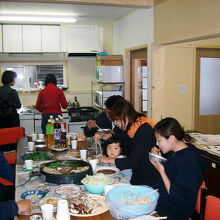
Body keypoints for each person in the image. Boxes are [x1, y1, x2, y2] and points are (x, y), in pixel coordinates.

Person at [151, 117, 207, 220]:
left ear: (171, 139)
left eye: (159, 140)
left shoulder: (189, 161)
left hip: (174, 211)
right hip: (162, 201)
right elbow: (172, 172)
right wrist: (158, 160)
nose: (157, 143)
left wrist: (162, 172)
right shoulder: (175, 151)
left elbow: (181, 198)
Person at [99, 99, 159, 186]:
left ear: (126, 117)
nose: (116, 124)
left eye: (117, 120)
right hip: (135, 172)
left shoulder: (144, 131)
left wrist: (109, 160)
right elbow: (117, 140)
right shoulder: (129, 127)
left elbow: (133, 161)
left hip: (146, 177)